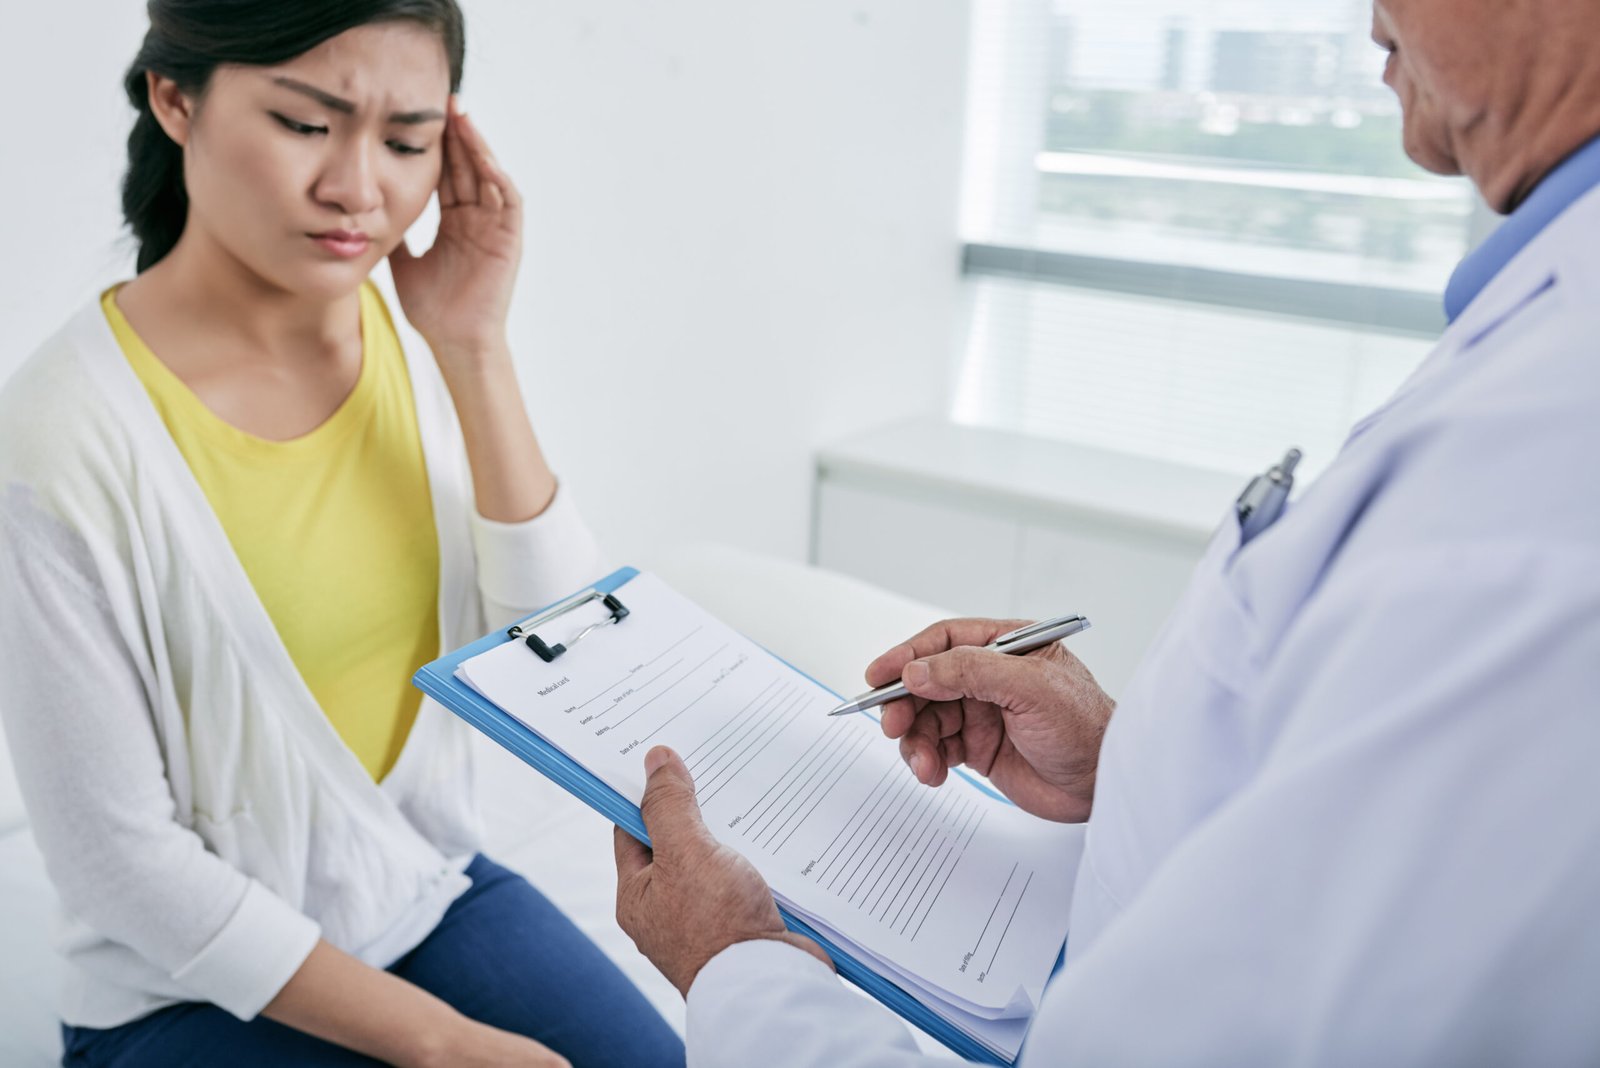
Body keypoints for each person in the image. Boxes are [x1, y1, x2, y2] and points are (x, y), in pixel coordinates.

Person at [611, 0, 1600, 1063]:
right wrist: (1128, 767)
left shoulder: (1547, 466)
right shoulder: (1535, 344)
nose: (1368, 21)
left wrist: (737, 967)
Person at [0, 2, 683, 1066]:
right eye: (307, 125)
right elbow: (117, 863)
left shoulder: (412, 332)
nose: (359, 189)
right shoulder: (56, 440)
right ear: (175, 99)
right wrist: (442, 1044)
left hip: (421, 893)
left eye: (406, 142)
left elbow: (564, 650)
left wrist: (473, 346)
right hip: (182, 991)